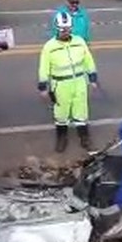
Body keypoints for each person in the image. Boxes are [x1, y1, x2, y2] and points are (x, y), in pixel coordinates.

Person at [38, 11, 98, 152]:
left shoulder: (79, 41)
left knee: (81, 112)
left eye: (68, 29)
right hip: (60, 85)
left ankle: (84, 138)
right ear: (56, 29)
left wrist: (93, 77)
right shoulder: (49, 47)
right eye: (62, 29)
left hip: (79, 82)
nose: (65, 32)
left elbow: (88, 60)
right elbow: (43, 67)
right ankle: (61, 138)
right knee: (61, 113)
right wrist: (43, 86)